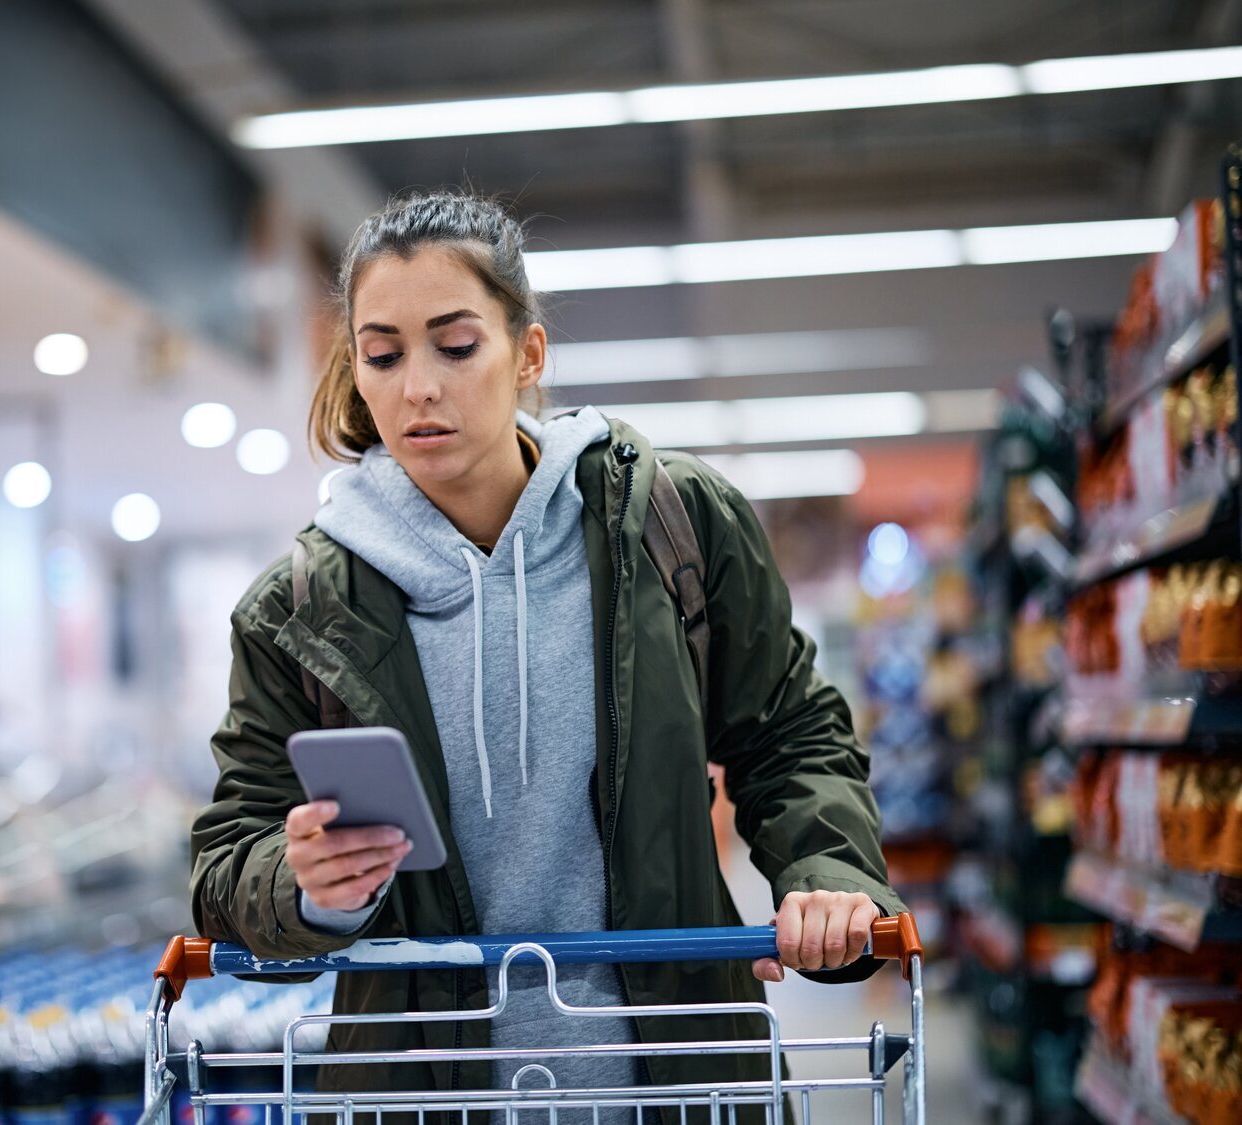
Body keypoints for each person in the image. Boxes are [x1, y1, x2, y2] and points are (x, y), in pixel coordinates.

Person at [190, 188, 905, 1120]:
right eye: (383, 354)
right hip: (422, 1100)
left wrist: (828, 874)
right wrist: (307, 886)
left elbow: (788, 730)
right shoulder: (299, 609)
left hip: (682, 1084)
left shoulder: (668, 524)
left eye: (456, 346)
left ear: (528, 354)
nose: (419, 387)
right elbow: (224, 864)